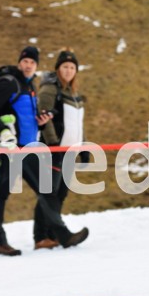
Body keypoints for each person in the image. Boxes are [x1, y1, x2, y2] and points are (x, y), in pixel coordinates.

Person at [0, 45, 88, 256]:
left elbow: (26, 120)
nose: (29, 65)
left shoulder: (28, 87)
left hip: (29, 149)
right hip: (11, 149)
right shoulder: (9, 83)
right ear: (20, 62)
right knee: (0, 193)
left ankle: (57, 236)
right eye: (26, 61)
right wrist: (3, 133)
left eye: (32, 62)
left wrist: (40, 123)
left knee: (46, 190)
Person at [34, 49, 86, 249]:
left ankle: (52, 234)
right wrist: (53, 144)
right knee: (48, 193)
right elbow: (43, 117)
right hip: (53, 150)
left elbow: (78, 124)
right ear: (58, 68)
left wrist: (83, 147)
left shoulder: (74, 94)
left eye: (72, 67)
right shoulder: (50, 89)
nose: (68, 70)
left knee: (61, 193)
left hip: (70, 150)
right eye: (65, 66)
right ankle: (41, 237)